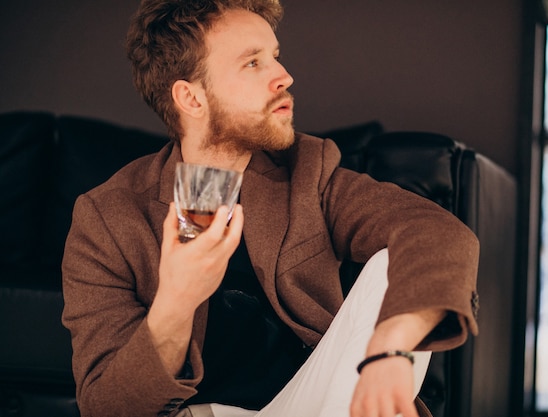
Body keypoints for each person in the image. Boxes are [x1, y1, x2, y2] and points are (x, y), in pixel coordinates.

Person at [61, 1, 480, 416]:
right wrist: (176, 299)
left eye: (275, 57)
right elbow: (106, 407)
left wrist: (393, 347)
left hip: (315, 403)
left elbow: (435, 232)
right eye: (252, 63)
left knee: (393, 261)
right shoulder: (107, 217)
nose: (284, 76)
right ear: (190, 97)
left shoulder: (309, 171)